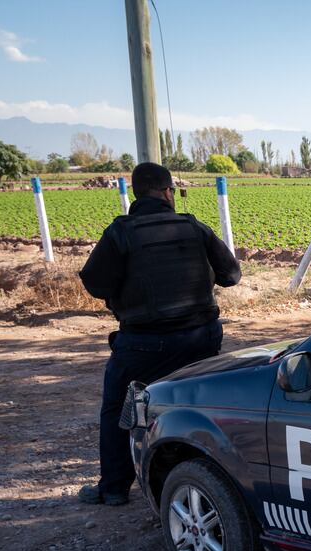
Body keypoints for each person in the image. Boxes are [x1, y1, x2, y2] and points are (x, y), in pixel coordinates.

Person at [77, 162, 241, 506]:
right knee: (204, 405)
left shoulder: (121, 233)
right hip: (200, 340)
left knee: (116, 408)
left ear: (137, 193)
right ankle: (215, 480)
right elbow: (231, 275)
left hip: (143, 345)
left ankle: (114, 489)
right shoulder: (193, 227)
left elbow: (94, 282)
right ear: (168, 192)